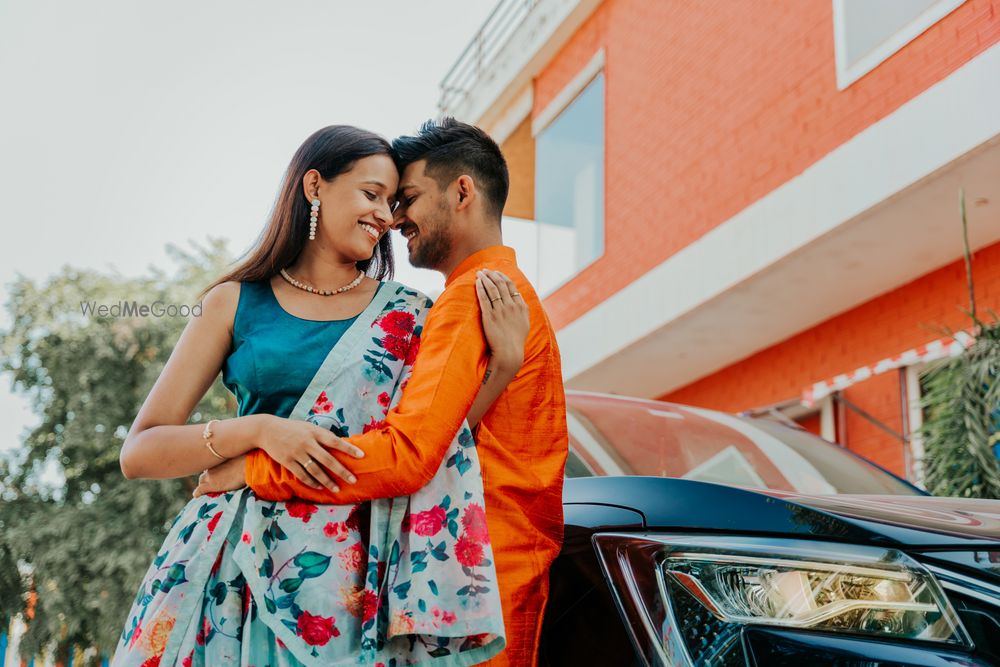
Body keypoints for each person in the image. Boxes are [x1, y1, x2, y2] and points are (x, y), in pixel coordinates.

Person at [112, 125, 528, 666]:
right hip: (229, 568)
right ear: (315, 186)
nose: (387, 215)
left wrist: (504, 367)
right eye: (371, 194)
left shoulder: (410, 313)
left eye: (395, 202)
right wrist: (261, 431)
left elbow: (434, 444)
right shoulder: (234, 303)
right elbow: (139, 452)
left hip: (346, 582)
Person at [223, 118, 570, 667]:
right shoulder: (512, 295)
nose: (394, 218)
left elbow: (410, 455)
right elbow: (452, 438)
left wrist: (254, 472)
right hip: (498, 580)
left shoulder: (471, 300)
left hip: (470, 594)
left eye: (407, 198)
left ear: (462, 192)